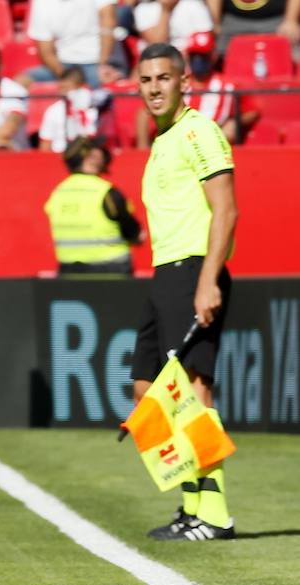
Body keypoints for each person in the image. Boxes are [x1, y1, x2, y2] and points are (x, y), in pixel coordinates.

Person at [132, 43, 237, 541]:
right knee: (146, 391)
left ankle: (212, 514)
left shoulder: (197, 130)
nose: (154, 88)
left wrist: (208, 279)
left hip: (192, 269)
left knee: (195, 390)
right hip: (164, 273)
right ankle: (191, 503)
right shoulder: (162, 139)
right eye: (146, 79)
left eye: (163, 78)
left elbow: (227, 209)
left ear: (184, 82)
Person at [136, 31, 258, 146]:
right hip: (178, 143)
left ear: (213, 56)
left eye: (203, 56)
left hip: (213, 143)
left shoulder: (229, 86)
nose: (198, 60)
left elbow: (252, 110)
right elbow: (145, 112)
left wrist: (235, 122)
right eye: (194, 55)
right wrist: (142, 150)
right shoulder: (176, 83)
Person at [44, 136, 141, 275]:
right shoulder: (105, 192)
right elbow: (130, 228)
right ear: (91, 157)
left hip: (69, 269)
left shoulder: (58, 193)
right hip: (111, 269)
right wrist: (137, 236)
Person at [23, 0, 118, 88]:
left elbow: (108, 26)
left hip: (95, 63)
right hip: (63, 65)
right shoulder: (42, 3)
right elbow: (46, 51)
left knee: (104, 86)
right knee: (21, 82)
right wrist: (66, 75)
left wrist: (103, 65)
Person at [38, 67, 107, 152]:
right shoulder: (53, 110)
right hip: (61, 156)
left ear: (81, 86)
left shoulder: (98, 106)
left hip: (91, 155)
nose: (63, 93)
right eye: (61, 88)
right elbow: (45, 143)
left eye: (67, 88)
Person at [206, 0, 299, 53]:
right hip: (231, 21)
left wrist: (291, 20)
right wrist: (215, 23)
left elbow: (291, 25)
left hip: (279, 21)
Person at [135, 0, 214, 52]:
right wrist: (166, 10)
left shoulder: (193, 4)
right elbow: (157, 44)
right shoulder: (143, 9)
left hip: (189, 60)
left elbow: (205, 40)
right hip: (159, 61)